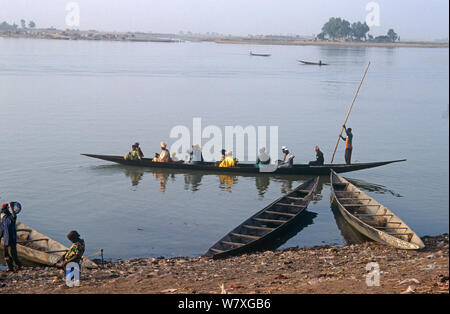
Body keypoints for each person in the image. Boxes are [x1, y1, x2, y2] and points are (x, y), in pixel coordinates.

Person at [0, 203, 22, 272]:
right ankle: (10, 268)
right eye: (2, 210)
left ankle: (18, 265)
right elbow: (2, 229)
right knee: (6, 255)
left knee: (13, 255)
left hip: (12, 239)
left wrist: (12, 207)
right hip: (6, 240)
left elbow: (14, 215)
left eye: (4, 209)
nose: (3, 211)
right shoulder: (4, 218)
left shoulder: (11, 217)